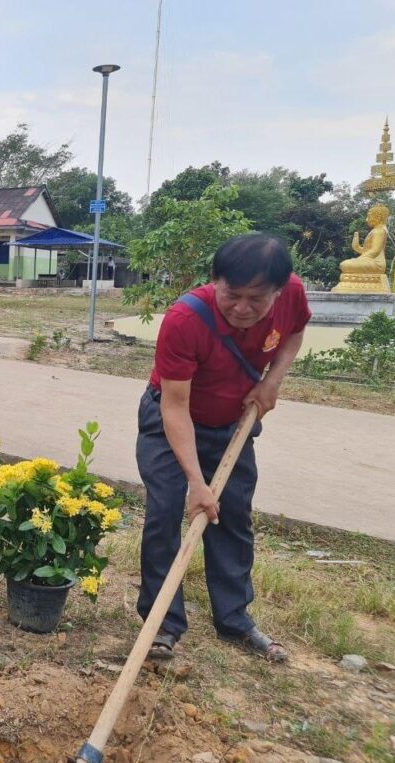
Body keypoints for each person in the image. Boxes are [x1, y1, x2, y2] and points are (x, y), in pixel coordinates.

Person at [136, 234, 310, 665]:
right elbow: (175, 407)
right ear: (216, 279)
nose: (243, 308)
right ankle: (162, 625)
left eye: (257, 299)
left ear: (278, 291)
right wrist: (196, 482)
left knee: (231, 515)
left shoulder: (292, 293)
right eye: (233, 294)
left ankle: (234, 620)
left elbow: (295, 332)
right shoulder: (185, 319)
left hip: (233, 422)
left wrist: (271, 383)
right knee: (164, 513)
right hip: (172, 420)